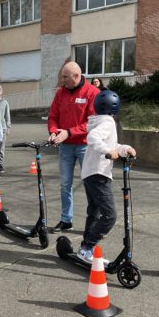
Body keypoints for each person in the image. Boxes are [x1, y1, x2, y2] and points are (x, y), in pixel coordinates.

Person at [77, 91, 136, 262]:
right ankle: (87, 248)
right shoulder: (108, 122)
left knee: (94, 212)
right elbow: (93, 138)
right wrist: (108, 151)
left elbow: (111, 144)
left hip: (90, 173)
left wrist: (124, 148)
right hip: (98, 174)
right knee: (110, 216)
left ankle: (85, 248)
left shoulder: (99, 120)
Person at [47, 61, 100, 234]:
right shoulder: (60, 93)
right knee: (65, 184)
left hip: (85, 146)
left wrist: (69, 132)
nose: (62, 80)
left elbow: (93, 122)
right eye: (62, 76)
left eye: (65, 77)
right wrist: (54, 132)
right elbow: (53, 116)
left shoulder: (92, 92)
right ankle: (66, 220)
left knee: (91, 184)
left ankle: (95, 222)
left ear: (76, 76)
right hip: (65, 148)